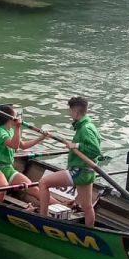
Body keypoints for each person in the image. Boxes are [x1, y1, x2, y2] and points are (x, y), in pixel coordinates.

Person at [35, 96, 104, 227]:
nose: (69, 113)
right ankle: (90, 231)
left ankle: (42, 219)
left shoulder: (85, 128)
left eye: (70, 111)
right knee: (87, 207)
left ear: (76, 112)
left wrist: (76, 146)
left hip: (79, 171)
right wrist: (75, 145)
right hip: (87, 172)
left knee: (43, 183)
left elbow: (95, 150)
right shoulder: (89, 125)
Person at [0, 104, 44, 203]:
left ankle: (61, 204)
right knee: (3, 188)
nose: (18, 118)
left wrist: (41, 138)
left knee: (34, 189)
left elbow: (23, 145)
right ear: (9, 118)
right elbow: (14, 145)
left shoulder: (11, 131)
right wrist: (18, 128)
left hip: (8, 168)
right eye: (16, 116)